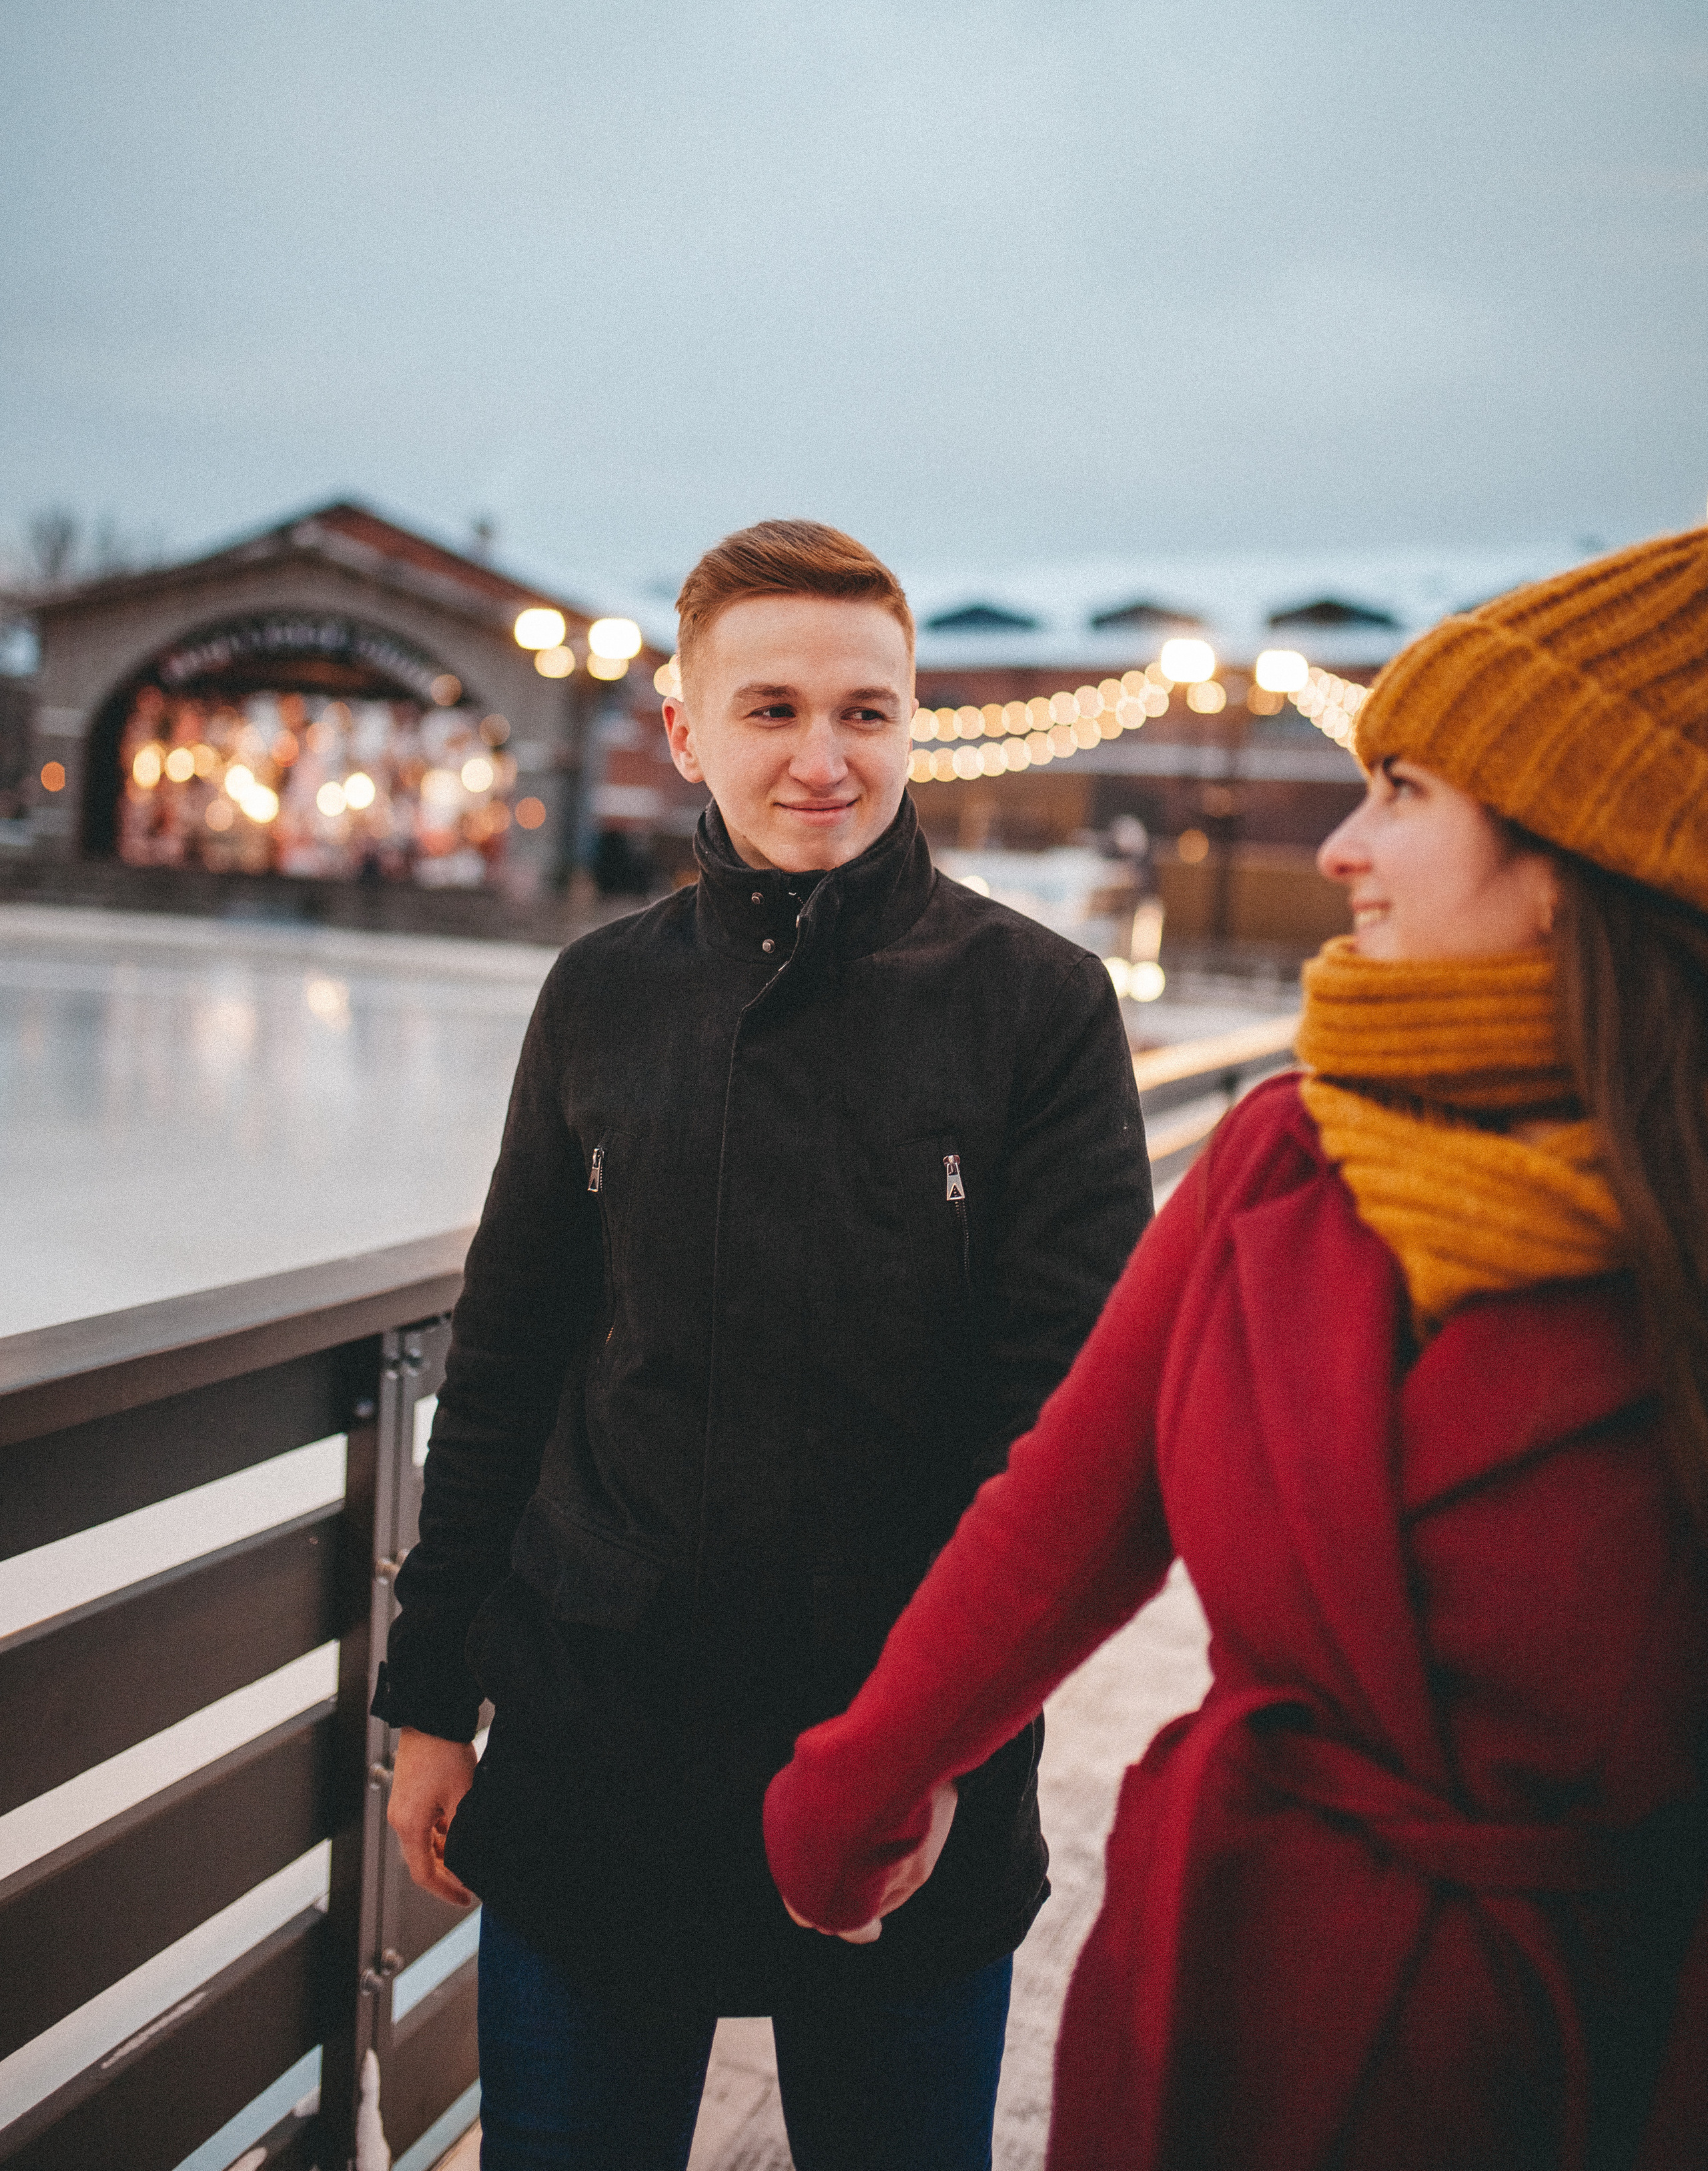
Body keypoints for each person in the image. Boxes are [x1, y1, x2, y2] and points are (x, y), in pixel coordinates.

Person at [764, 524, 1708, 2170]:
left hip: (1587, 2057)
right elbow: (1065, 1514)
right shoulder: (1282, 1158)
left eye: (1403, 792)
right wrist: (860, 1772)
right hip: (1217, 2007)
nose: (1343, 850)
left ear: (1574, 856)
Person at [374, 519, 1152, 2169]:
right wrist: (433, 1694)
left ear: (911, 723)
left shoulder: (1036, 1006)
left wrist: (940, 1744)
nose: (823, 757)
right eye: (774, 709)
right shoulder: (601, 996)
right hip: (601, 1747)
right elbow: (507, 1360)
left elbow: (1066, 1436)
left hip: (897, 1778)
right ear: (685, 732)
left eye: (866, 712)